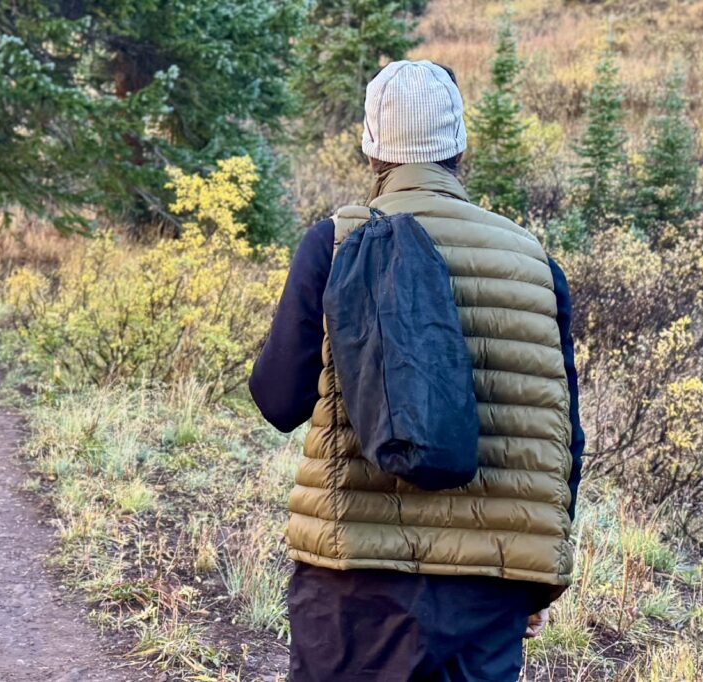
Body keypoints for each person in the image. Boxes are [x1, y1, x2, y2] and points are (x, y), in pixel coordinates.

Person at [249, 60, 585, 682]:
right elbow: (562, 438)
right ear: (459, 147)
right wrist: (533, 580)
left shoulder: (334, 241)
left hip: (352, 578)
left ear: (372, 149)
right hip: (491, 584)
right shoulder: (535, 260)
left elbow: (277, 400)